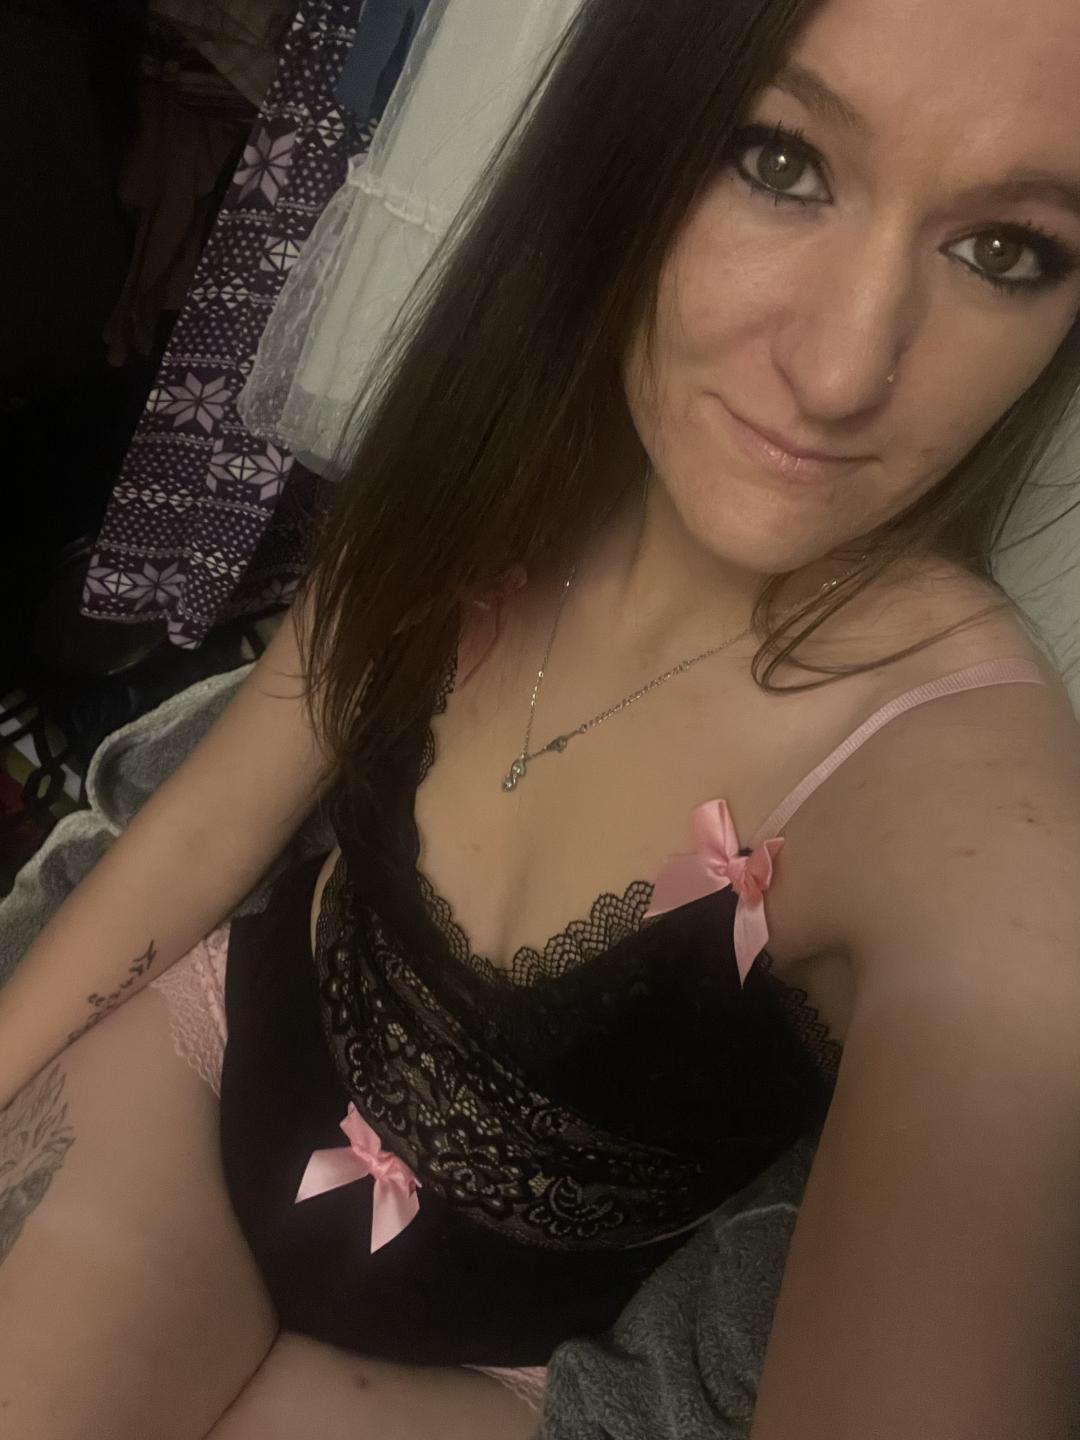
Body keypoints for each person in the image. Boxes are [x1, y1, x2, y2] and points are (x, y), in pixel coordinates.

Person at [4, 0, 1080, 1434]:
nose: (840, 373)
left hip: (487, 1372)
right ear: (633, 138)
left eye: (1007, 249)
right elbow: (208, 828)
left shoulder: (976, 811)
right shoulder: (501, 451)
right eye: (778, 161)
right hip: (201, 1088)